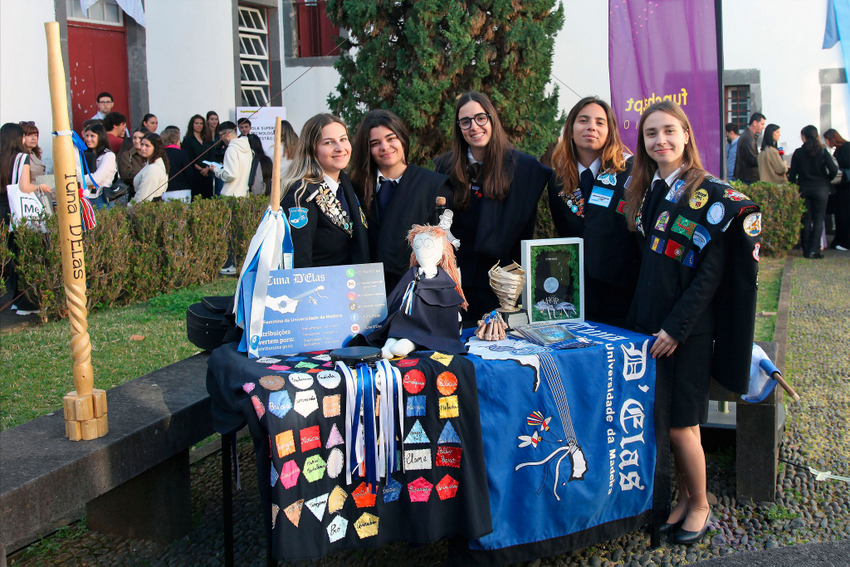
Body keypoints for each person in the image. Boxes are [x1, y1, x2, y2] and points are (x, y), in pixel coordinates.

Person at [625, 100, 759, 545]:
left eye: (668, 131)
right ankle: (684, 498)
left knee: (683, 423)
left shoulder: (712, 194)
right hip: (652, 325)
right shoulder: (649, 190)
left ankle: (700, 504)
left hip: (687, 330)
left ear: (686, 135)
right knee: (663, 420)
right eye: (650, 134)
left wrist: (676, 328)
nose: (660, 140)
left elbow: (710, 276)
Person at [434, 91, 551, 320]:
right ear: (459, 128)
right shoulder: (444, 167)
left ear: (491, 119)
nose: (474, 127)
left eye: (480, 118)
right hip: (457, 283)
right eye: (465, 122)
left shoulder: (524, 168)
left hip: (503, 285)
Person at [547, 96, 638, 326]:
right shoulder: (558, 180)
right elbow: (564, 234)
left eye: (600, 122)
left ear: (610, 131)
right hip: (578, 296)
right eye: (583, 120)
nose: (591, 127)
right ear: (570, 129)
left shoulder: (630, 172)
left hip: (623, 295)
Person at [350, 109, 453, 293]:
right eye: (375, 143)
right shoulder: (355, 188)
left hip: (416, 291)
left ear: (402, 139)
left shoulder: (433, 185)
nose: (385, 147)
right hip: (365, 290)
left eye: (391, 138)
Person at [280, 113, 368, 268]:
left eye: (343, 139)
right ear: (311, 149)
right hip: (321, 287)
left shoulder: (348, 185)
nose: (340, 148)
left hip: (353, 284)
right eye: (328, 143)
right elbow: (299, 259)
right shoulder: (300, 193)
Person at [1, 123, 53, 315]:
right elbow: (24, 186)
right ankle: (26, 303)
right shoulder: (22, 157)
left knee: (12, 256)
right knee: (26, 254)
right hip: (17, 209)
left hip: (2, 209)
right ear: (19, 138)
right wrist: (40, 187)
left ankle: (15, 299)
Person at [789, 125, 838, 259]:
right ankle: (814, 250)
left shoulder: (798, 152)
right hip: (821, 188)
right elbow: (833, 169)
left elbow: (792, 173)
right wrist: (827, 179)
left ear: (804, 137)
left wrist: (794, 185)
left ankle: (805, 249)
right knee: (818, 219)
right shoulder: (822, 151)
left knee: (806, 218)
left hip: (804, 188)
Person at [79, 123, 117, 209]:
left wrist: (78, 180)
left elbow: (96, 179)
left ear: (101, 137)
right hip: (85, 197)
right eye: (87, 136)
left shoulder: (108, 156)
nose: (88, 139)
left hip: (101, 198)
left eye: (92, 136)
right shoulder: (84, 155)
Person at [210, 121, 253, 198]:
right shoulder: (247, 147)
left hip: (231, 194)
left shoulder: (231, 149)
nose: (221, 139)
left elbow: (230, 175)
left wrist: (216, 170)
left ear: (227, 134)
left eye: (221, 135)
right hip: (244, 194)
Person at [824, 128, 850, 250]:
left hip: (846, 187)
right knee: (840, 215)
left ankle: (844, 241)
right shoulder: (841, 148)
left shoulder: (845, 148)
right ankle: (840, 240)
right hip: (841, 187)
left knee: (844, 215)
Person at [183, 114, 214, 199]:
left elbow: (212, 155)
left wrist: (207, 168)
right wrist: (200, 169)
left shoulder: (208, 140)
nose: (199, 125)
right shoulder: (187, 140)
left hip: (208, 173)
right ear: (192, 125)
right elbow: (189, 158)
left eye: (201, 123)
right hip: (195, 174)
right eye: (196, 123)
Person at [132, 133, 169, 203]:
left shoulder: (153, 168)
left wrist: (130, 208)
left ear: (156, 148)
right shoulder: (151, 163)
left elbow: (143, 196)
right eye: (142, 144)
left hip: (149, 206)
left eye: (147, 146)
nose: (143, 148)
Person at [734, 112, 765, 184]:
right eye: (762, 124)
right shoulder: (748, 138)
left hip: (748, 177)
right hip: (748, 178)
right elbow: (753, 160)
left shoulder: (749, 136)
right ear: (755, 123)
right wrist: (765, 158)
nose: (763, 127)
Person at [160, 127, 192, 198]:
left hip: (163, 191)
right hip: (182, 191)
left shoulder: (159, 154)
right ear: (176, 140)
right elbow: (189, 173)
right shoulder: (181, 153)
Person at [118, 127, 148, 197]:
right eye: (134, 138)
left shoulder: (153, 155)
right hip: (134, 192)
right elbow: (126, 175)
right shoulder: (127, 155)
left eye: (140, 138)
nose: (137, 141)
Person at [207, 111, 226, 196]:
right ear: (207, 120)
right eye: (212, 119)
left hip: (219, 162)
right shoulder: (205, 133)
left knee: (219, 188)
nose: (214, 121)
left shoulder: (220, 133)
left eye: (216, 119)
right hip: (208, 163)